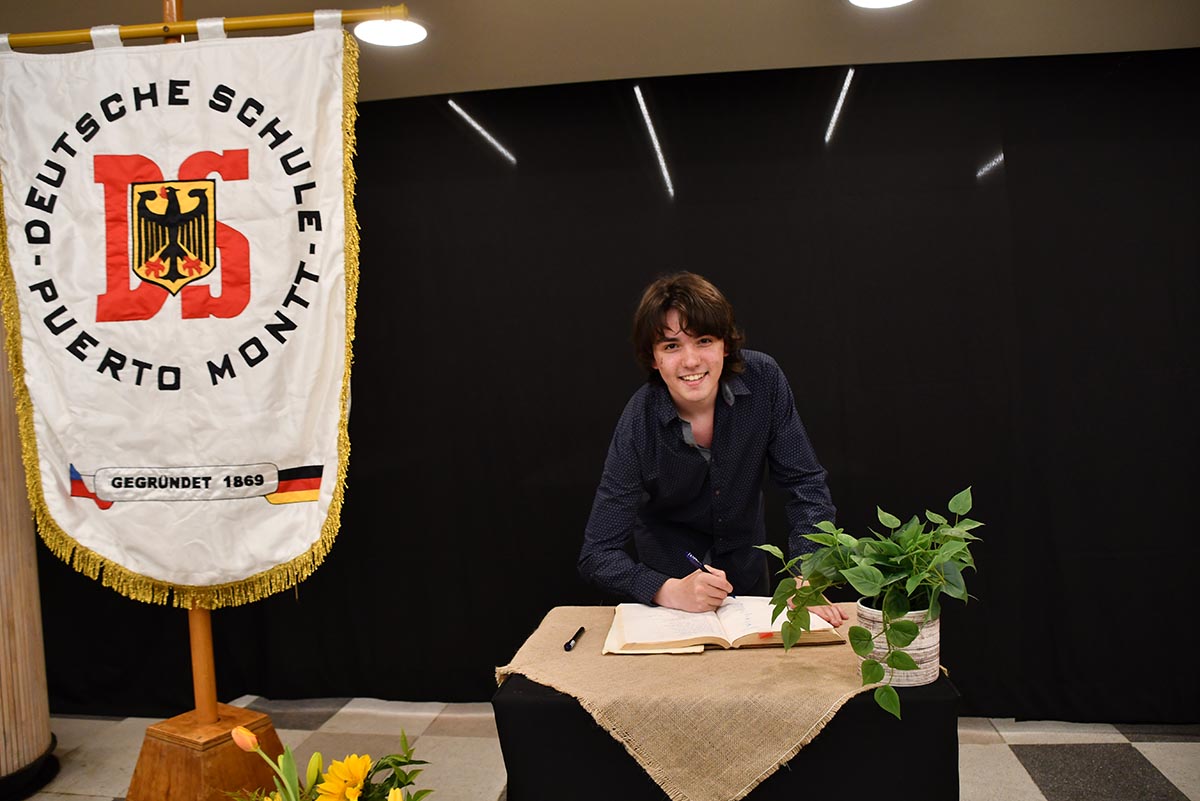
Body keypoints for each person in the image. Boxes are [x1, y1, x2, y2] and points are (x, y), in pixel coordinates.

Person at [578, 272, 845, 624]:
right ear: (654, 358)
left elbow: (806, 485)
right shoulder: (639, 421)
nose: (691, 361)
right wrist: (666, 589)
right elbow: (597, 554)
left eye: (704, 340)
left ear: (725, 345)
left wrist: (807, 576)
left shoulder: (764, 380)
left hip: (748, 582)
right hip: (671, 594)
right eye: (671, 346)